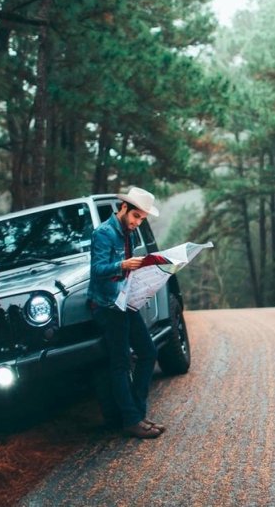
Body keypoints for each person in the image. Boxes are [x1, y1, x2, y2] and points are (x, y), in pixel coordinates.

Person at [88, 187, 167, 439]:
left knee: (148, 352)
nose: (137, 223)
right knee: (121, 361)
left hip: (125, 301)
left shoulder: (129, 234)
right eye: (135, 216)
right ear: (123, 208)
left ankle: (136, 413)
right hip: (107, 305)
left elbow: (127, 273)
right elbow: (98, 269)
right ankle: (132, 420)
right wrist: (122, 264)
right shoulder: (103, 233)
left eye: (142, 219)